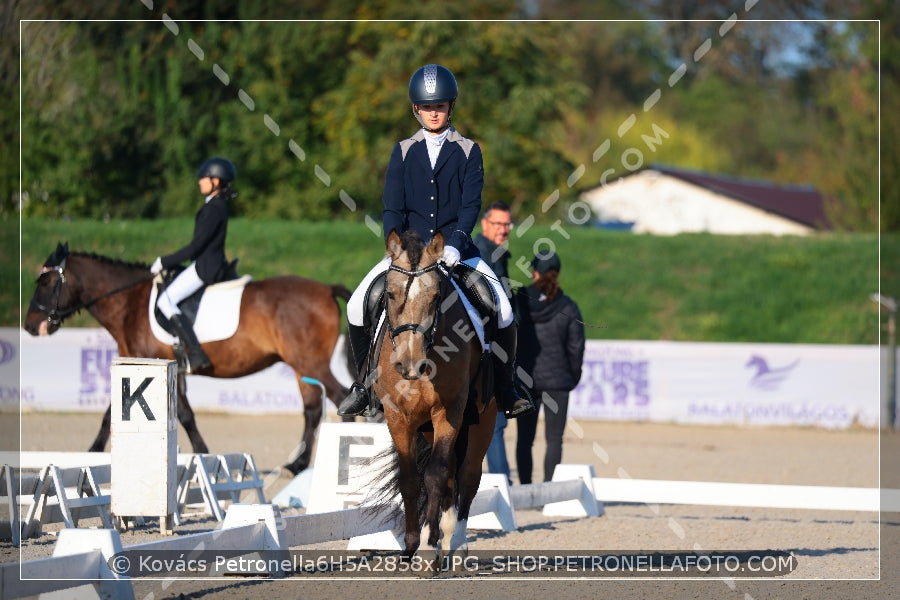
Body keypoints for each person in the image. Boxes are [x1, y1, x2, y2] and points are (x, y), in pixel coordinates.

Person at [337, 63, 535, 419]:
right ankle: (364, 387)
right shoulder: (402, 151)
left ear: (450, 107)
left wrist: (457, 243)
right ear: (416, 108)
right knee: (355, 306)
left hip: (456, 250)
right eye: (427, 107)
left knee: (503, 309)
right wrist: (395, 247)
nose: (433, 112)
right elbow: (391, 207)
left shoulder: (468, 150)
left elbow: (471, 204)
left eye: (440, 106)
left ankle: (506, 389)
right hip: (407, 255)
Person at [150, 157, 236, 375]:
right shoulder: (216, 206)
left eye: (204, 178)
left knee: (165, 300)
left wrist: (164, 261)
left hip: (205, 267)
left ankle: (196, 352)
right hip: (207, 263)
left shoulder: (214, 208)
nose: (199, 182)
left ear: (216, 181)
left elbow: (195, 247)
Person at [514, 250, 585, 484]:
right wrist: (572, 377)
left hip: (526, 380)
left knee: (525, 439)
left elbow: (508, 339)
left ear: (534, 271)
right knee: (555, 439)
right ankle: (548, 491)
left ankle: (525, 489)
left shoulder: (518, 300)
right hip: (558, 383)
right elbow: (576, 347)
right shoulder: (569, 306)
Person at [474, 202, 515, 483]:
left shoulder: (498, 254)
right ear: (485, 224)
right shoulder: (481, 253)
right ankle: (502, 482)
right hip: (484, 346)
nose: (503, 230)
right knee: (495, 422)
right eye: (498, 224)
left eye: (507, 225)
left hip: (496, 344)